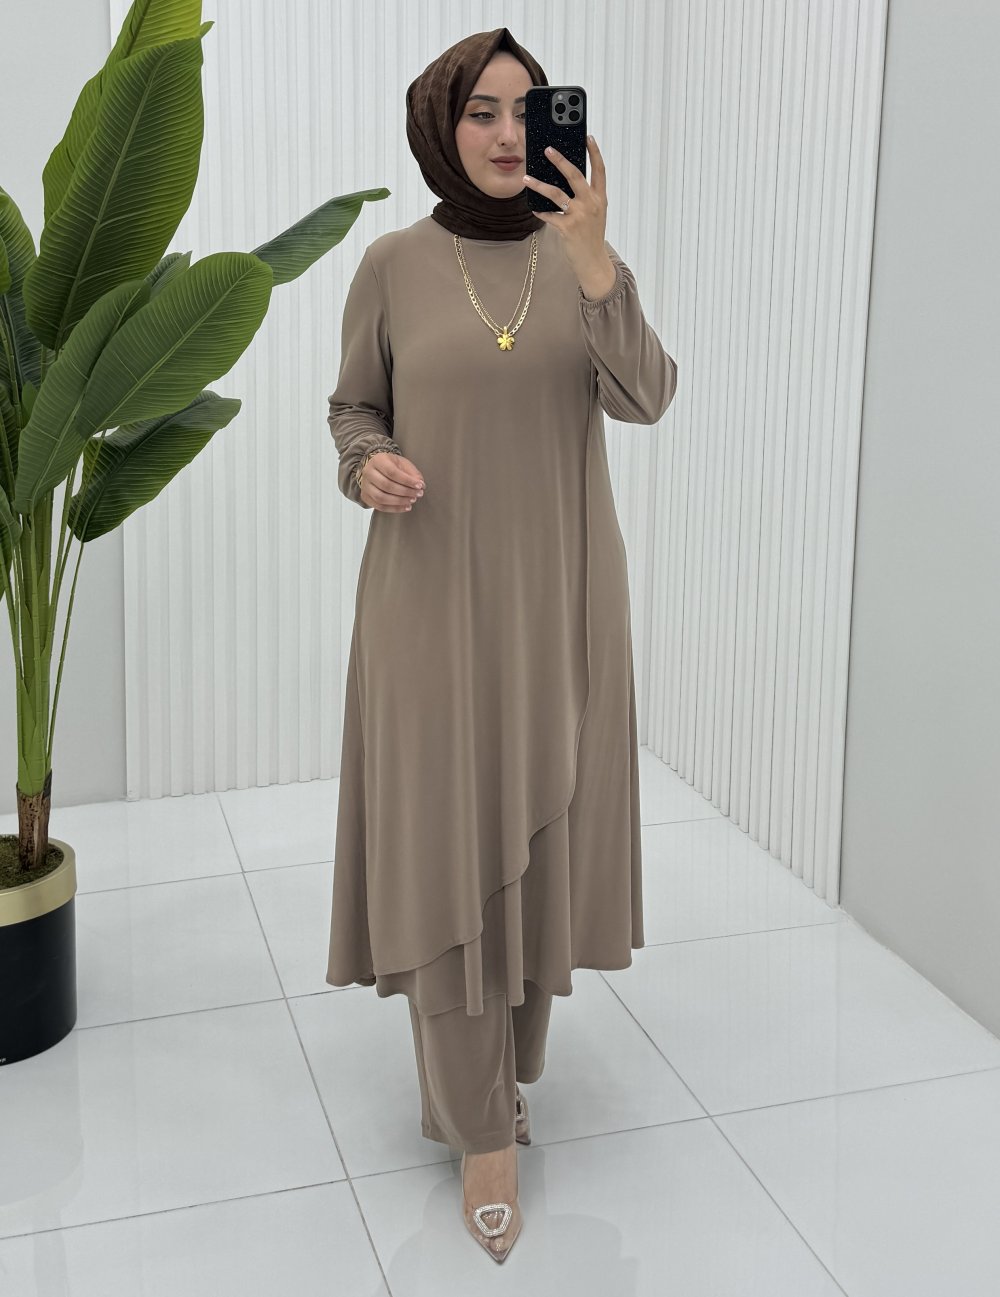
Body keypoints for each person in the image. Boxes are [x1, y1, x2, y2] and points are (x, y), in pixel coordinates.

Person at [324, 27, 678, 1264]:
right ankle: (479, 1128)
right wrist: (366, 462)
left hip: (563, 600)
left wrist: (595, 260)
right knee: (446, 842)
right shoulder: (390, 264)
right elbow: (353, 404)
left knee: (537, 838)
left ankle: (508, 1073)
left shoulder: (583, 263)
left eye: (529, 110)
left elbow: (646, 395)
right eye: (481, 109)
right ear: (441, 122)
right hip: (427, 601)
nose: (508, 133)